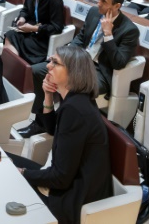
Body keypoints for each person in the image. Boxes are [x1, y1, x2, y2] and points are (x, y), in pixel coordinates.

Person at [10, 46, 113, 224]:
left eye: (55, 63)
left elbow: (60, 178)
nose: (48, 66)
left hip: (72, 197)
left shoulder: (75, 109)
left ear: (73, 72)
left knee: (9, 178)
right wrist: (48, 95)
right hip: (66, 179)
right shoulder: (76, 100)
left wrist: (24, 173)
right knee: (4, 159)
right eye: (50, 61)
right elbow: (52, 128)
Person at [3, 0, 64, 65]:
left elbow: (57, 27)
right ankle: (11, 68)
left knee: (17, 41)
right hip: (30, 31)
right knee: (10, 35)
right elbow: (26, 9)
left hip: (43, 37)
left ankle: (17, 68)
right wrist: (22, 18)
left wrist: (34, 28)